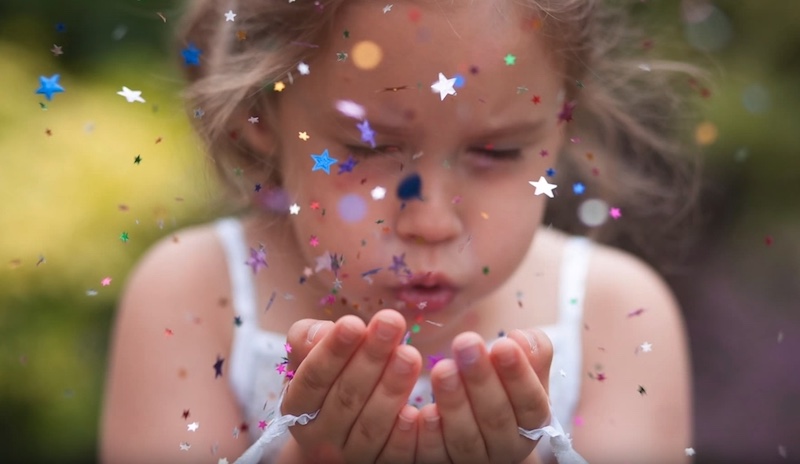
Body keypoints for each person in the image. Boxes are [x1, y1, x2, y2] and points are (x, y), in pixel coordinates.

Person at [100, 0, 700, 463]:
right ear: (261, 115)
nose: (432, 220)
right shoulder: (196, 295)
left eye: (496, 151)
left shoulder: (618, 316)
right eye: (371, 148)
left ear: (562, 121)